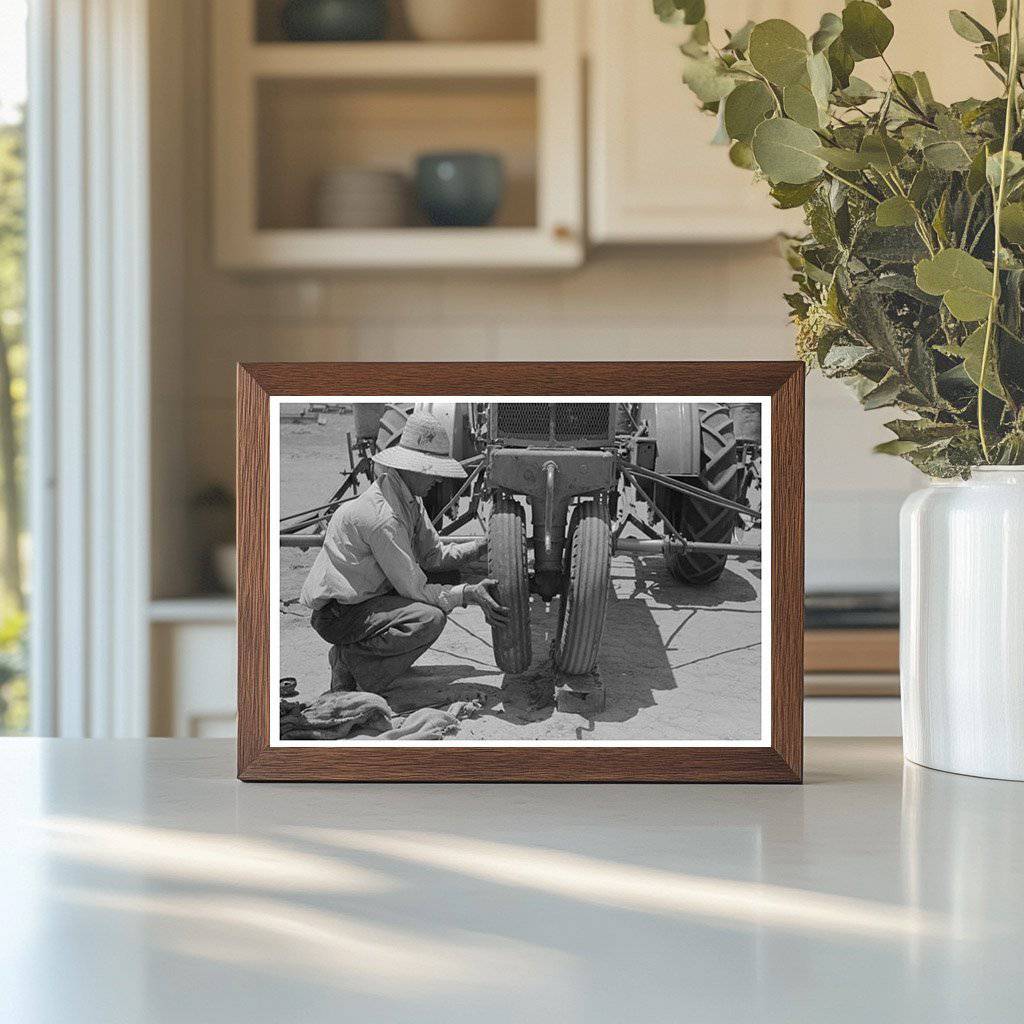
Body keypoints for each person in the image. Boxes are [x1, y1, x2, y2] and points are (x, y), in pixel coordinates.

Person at [300, 409, 509, 694]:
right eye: (431, 471)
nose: (437, 479)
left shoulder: (410, 500)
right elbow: (414, 588)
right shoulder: (383, 517)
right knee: (428, 619)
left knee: (437, 594)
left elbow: (433, 556)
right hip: (338, 615)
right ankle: (349, 661)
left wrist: (481, 546)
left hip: (368, 598)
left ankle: (370, 664)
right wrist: (468, 594)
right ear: (411, 468)